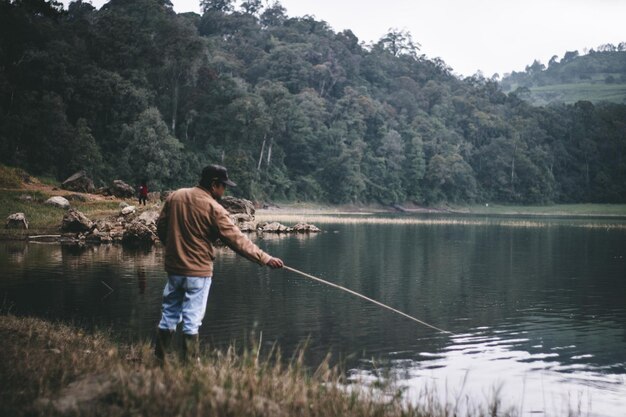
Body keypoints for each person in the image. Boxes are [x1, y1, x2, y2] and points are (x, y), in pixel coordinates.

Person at [154, 164, 284, 364]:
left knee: (169, 314)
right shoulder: (214, 208)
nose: (224, 191)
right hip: (198, 272)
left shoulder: (176, 196)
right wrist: (265, 258)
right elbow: (236, 240)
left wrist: (173, 250)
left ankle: (159, 360)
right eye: (223, 186)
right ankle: (190, 367)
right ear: (214, 185)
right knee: (192, 320)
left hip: (174, 270)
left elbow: (161, 227)